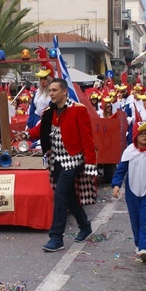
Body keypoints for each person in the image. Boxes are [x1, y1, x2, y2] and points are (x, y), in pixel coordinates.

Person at [23, 78, 97, 252]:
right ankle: (85, 226)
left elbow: (87, 138)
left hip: (73, 159)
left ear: (64, 91)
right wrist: (25, 135)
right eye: (50, 91)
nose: (51, 93)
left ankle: (56, 237)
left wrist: (90, 164)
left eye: (54, 90)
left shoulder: (79, 110)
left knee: (60, 195)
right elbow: (40, 130)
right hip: (56, 159)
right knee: (69, 196)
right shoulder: (49, 111)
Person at [111, 121, 146, 262]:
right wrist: (116, 185)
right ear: (135, 136)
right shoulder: (129, 152)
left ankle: (145, 248)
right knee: (135, 220)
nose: (144, 137)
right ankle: (138, 243)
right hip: (132, 192)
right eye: (141, 134)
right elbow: (121, 170)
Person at [27, 49, 55, 129]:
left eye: (45, 78)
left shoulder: (54, 94)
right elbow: (32, 110)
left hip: (47, 123)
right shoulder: (37, 93)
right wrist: (30, 124)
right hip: (35, 121)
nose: (43, 81)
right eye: (41, 79)